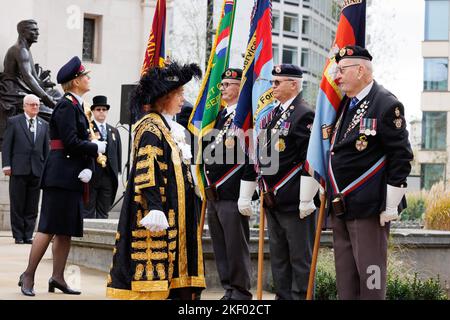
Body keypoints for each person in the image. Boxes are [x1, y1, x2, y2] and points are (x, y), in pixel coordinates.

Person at [107, 62, 206, 300]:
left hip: (178, 212)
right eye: (179, 94)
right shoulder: (150, 127)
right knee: (155, 275)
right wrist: (153, 207)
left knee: (177, 272)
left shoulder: (168, 126)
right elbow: (147, 169)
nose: (183, 99)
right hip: (158, 213)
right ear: (164, 98)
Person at [327, 45, 413, 299]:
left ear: (361, 70)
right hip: (342, 205)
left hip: (370, 209)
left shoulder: (386, 104)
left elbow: (401, 156)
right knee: (346, 279)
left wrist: (391, 204)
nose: (337, 77)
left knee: (371, 276)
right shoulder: (346, 105)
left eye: (342, 70)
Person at [18, 56, 107, 297]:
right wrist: (95, 149)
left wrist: (89, 163)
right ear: (76, 81)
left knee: (65, 229)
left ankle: (57, 277)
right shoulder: (66, 105)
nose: (89, 78)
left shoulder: (77, 105)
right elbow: (71, 142)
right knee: (47, 228)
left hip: (73, 175)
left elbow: (81, 139)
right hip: (61, 175)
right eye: (85, 75)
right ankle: (28, 275)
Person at [258, 64, 318, 300]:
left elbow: (309, 160)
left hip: (294, 202)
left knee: (300, 261)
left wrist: (306, 198)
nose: (272, 88)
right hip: (273, 201)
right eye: (272, 82)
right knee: (280, 261)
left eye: (277, 83)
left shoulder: (304, 114)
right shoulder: (273, 115)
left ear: (293, 84)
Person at [202, 68, 255, 300]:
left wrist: (246, 192)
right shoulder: (222, 116)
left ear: (239, 88)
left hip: (233, 193)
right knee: (221, 245)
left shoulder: (246, 117)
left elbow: (251, 157)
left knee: (235, 246)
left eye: (227, 84)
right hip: (216, 193)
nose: (222, 89)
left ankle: (241, 291)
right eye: (221, 84)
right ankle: (229, 288)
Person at [0, 20, 60, 147]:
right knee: (51, 113)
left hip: (24, 88)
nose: (37, 33)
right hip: (14, 93)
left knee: (58, 95)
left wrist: (48, 92)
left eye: (37, 30)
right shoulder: (20, 50)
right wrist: (46, 98)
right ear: (22, 32)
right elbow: (28, 78)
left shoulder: (25, 50)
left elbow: (34, 78)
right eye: (33, 30)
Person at [2, 94, 49, 244]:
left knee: (32, 204)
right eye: (32, 104)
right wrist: (6, 165)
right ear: (24, 106)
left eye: (37, 104)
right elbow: (7, 145)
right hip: (18, 169)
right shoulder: (14, 122)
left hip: (37, 170)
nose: (35, 107)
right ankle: (18, 235)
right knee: (18, 203)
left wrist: (46, 169)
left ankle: (28, 234)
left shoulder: (43, 124)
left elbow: (45, 150)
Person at [84, 95, 122, 219]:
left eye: (104, 109)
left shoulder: (113, 131)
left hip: (108, 176)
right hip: (93, 173)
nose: (101, 112)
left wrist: (118, 172)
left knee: (104, 211)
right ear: (93, 111)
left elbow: (117, 153)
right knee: (88, 210)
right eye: (98, 109)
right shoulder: (87, 129)